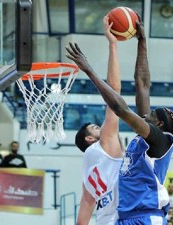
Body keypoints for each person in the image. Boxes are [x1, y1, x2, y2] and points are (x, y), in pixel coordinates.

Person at [66, 17, 173, 225]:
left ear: (160, 125)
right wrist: (142, 43)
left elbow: (120, 108)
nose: (146, 113)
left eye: (152, 114)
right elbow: (142, 84)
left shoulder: (160, 141)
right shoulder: (145, 138)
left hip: (146, 216)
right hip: (125, 217)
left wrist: (89, 70)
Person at [75, 16, 124, 225]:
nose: (101, 127)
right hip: (124, 219)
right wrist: (113, 45)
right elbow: (114, 93)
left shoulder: (88, 168)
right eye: (95, 127)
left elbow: (86, 204)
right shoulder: (105, 143)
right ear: (88, 139)